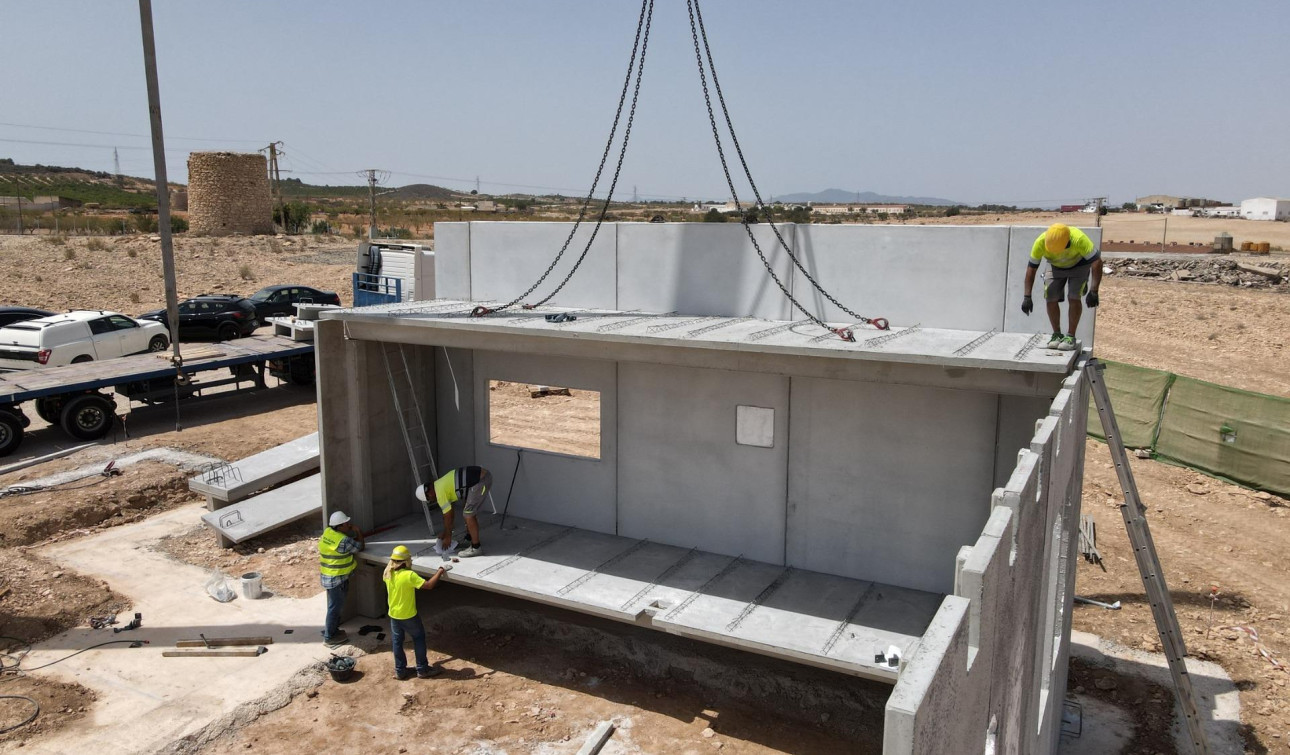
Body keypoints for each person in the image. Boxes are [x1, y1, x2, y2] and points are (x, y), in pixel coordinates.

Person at [1021, 222, 1102, 351]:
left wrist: (1094, 290)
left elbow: (1097, 262)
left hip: (1079, 265)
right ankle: (1056, 334)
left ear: (1067, 242)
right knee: (1050, 296)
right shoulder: (1040, 242)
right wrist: (1027, 296)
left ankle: (1070, 337)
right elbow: (1031, 269)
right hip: (1055, 266)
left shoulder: (1079, 239)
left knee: (1073, 297)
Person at [382, 545, 449, 680]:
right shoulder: (409, 575)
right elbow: (429, 585)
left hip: (394, 615)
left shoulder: (388, 573)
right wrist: (440, 571)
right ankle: (422, 669)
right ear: (405, 561)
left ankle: (400, 671)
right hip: (408, 615)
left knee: (397, 642)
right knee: (418, 638)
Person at [416, 466, 493, 558]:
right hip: (481, 478)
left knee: (468, 514)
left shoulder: (440, 493)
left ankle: (476, 548)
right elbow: (449, 514)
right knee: (467, 509)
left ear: (429, 493)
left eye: (429, 499)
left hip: (481, 481)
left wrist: (448, 537)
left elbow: (448, 516)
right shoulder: (439, 484)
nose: (432, 500)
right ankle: (469, 538)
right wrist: (445, 532)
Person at [318, 510, 364, 647]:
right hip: (337, 579)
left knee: (333, 607)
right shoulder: (342, 541)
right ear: (340, 526)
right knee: (335, 608)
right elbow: (360, 547)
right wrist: (358, 532)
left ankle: (331, 630)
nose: (349, 525)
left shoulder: (328, 533)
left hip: (328, 576)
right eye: (346, 524)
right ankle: (329, 637)